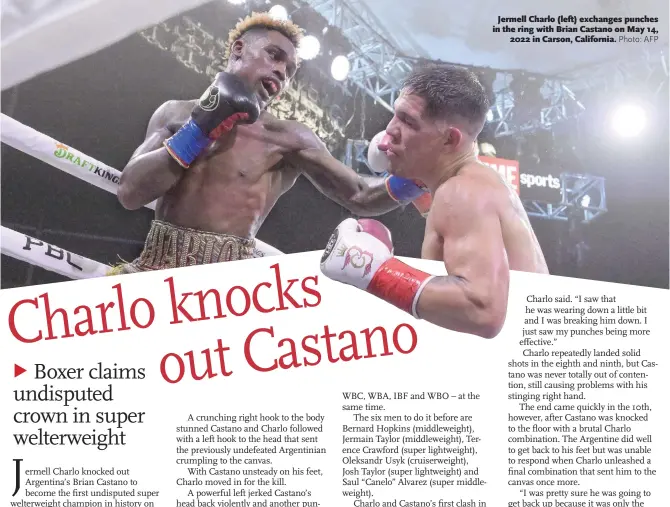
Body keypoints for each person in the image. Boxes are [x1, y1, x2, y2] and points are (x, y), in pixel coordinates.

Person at [112, 12, 426, 273]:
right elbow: (130, 193)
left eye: (289, 70)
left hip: (222, 292)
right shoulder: (175, 112)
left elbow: (360, 193)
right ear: (238, 49)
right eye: (273, 55)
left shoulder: (288, 137)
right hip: (151, 271)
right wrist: (199, 129)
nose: (281, 71)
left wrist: (419, 177)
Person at [320, 64, 549, 339]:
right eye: (396, 114)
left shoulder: (462, 192)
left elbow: (483, 311)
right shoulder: (458, 183)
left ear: (450, 140)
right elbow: (364, 197)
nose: (389, 131)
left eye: (407, 121)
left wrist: (375, 270)